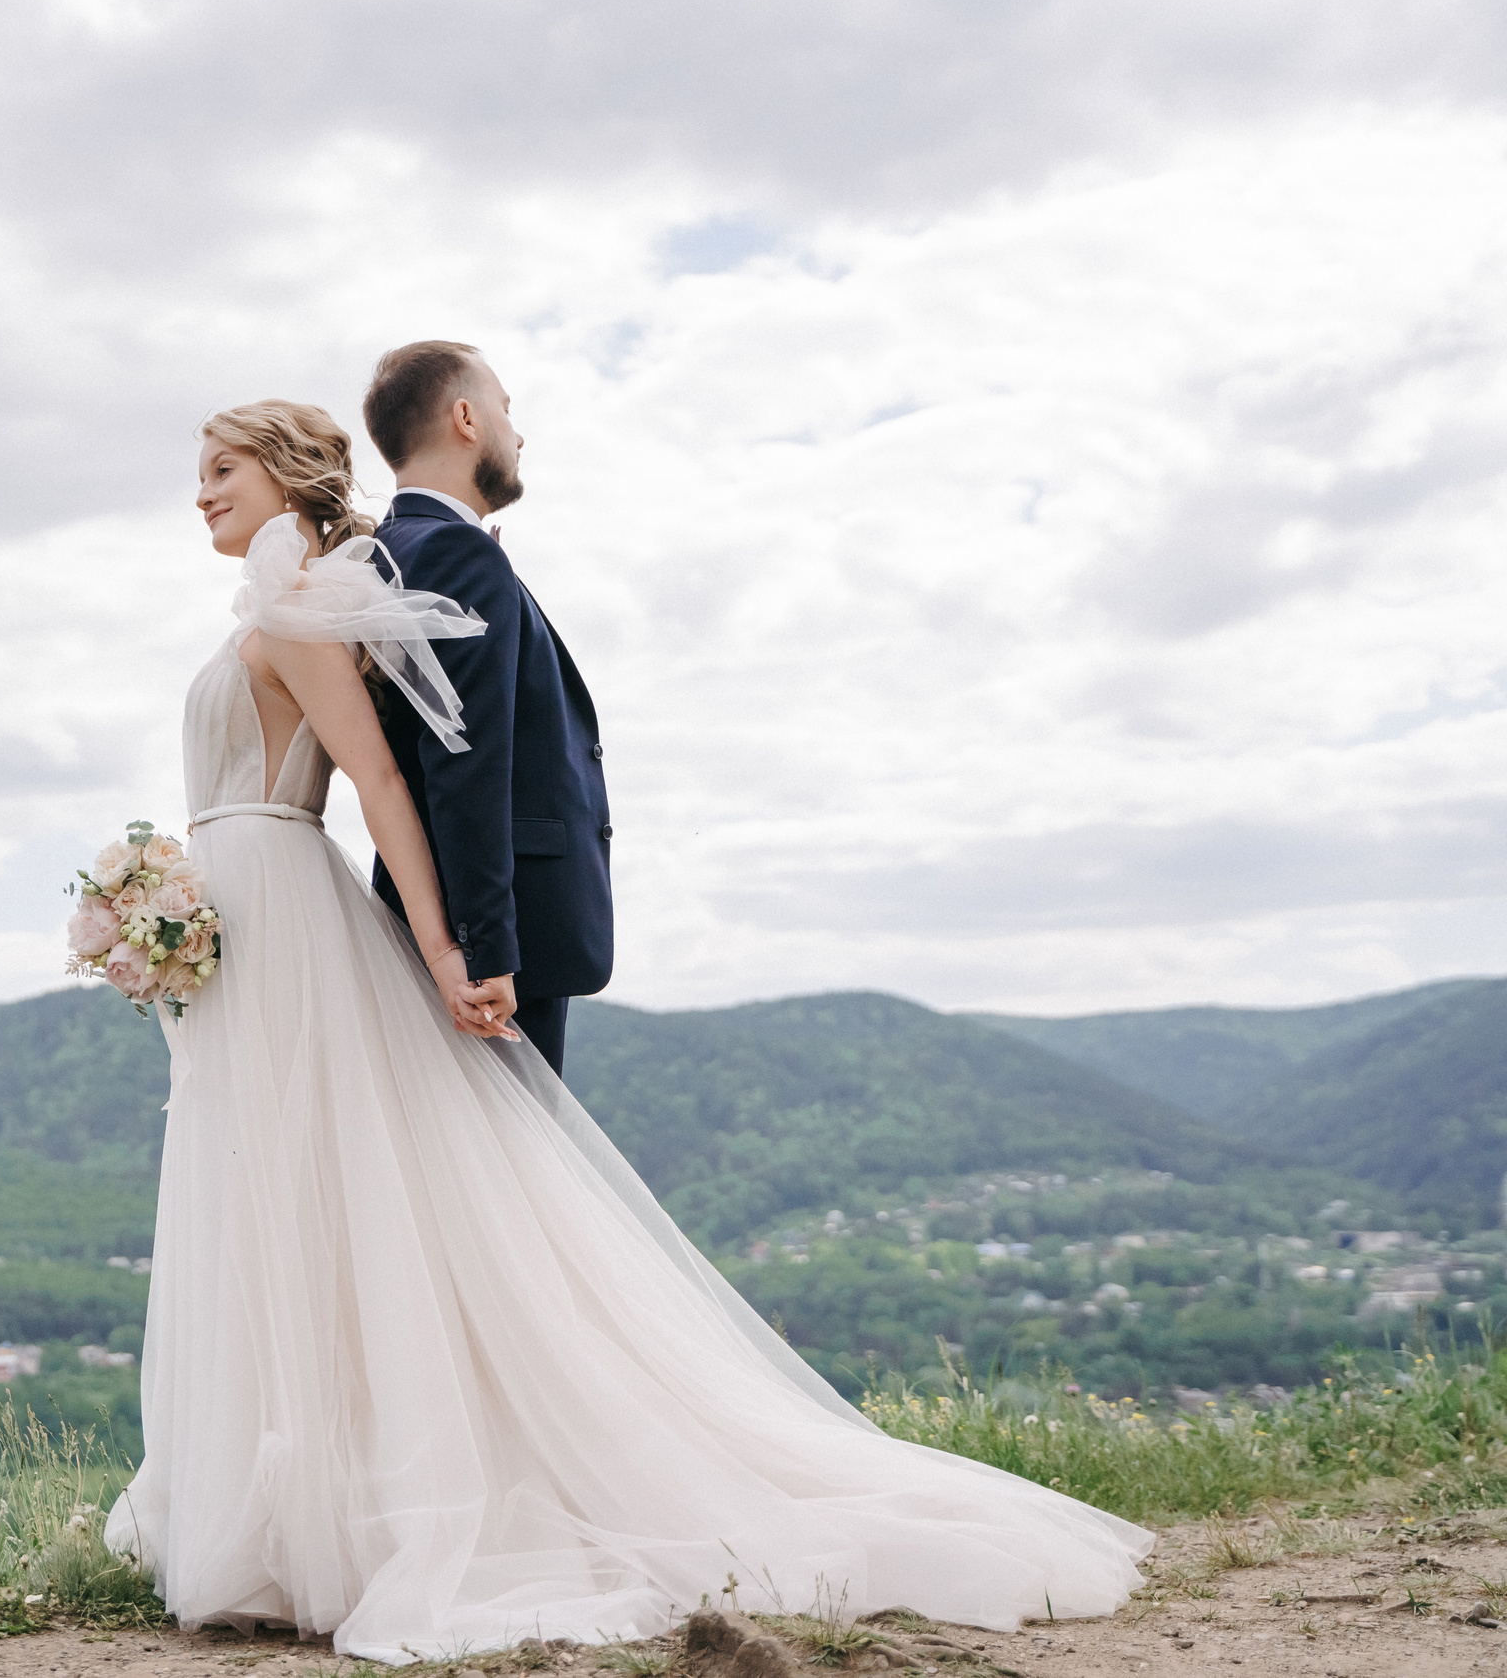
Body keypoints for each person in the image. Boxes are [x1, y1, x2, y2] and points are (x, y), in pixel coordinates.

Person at [100, 394, 1150, 1665]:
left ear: (284, 475)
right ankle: (272, 1501)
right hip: (236, 937)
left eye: (221, 468)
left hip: (291, 927)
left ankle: (339, 1514)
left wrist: (442, 951)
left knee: (330, 1197)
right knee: (262, 1200)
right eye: (197, 472)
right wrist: (153, 905)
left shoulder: (293, 609)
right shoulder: (268, 607)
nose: (200, 490)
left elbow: (377, 783)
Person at [363, 341, 609, 1076]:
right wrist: (485, 949)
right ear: (466, 418)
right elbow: (464, 759)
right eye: (506, 407)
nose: (518, 431)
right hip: (498, 947)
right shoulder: (453, 554)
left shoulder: (393, 548)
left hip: (462, 924)